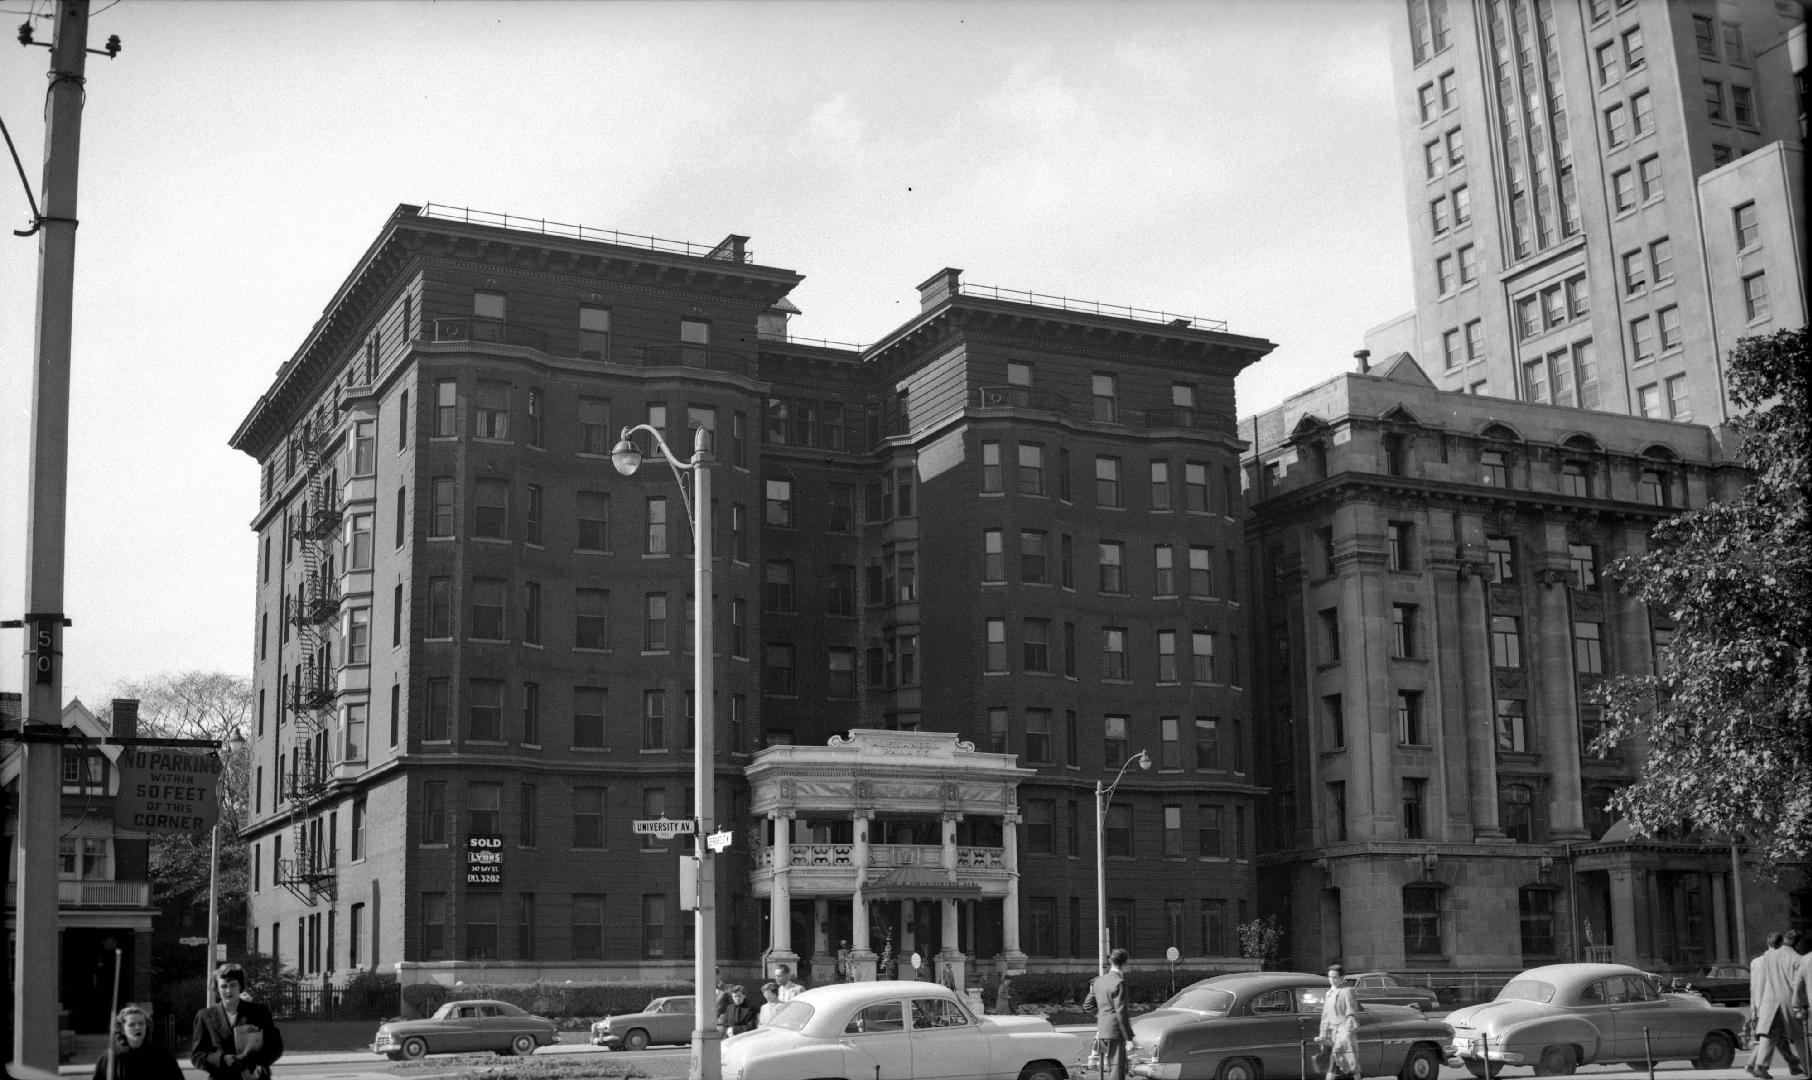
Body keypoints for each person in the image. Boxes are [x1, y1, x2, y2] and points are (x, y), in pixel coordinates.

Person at [191, 964, 283, 1080]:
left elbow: (275, 1046)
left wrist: (257, 1061)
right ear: (217, 989)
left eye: (232, 985)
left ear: (240, 986)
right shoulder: (204, 1016)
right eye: (223, 986)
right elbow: (197, 1056)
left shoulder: (260, 1012)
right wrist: (224, 1060)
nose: (228, 991)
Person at [1750, 932, 1800, 1079]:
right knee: (1788, 1036)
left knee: (1773, 1036)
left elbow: (1753, 987)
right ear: (1781, 944)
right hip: (1778, 1003)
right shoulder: (1782, 958)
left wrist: (1754, 1009)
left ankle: (1792, 1065)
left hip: (1763, 1005)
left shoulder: (1756, 961)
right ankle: (1799, 1064)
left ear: (1768, 943)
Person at [93, 1004, 183, 1080]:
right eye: (131, 1024)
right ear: (122, 1029)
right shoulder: (111, 1057)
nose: (137, 1027)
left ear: (146, 1026)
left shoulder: (162, 1054)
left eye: (141, 1023)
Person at [1085, 947, 1133, 1080]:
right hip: (1116, 1032)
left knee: (1106, 1070)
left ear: (1111, 961)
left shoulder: (1098, 981)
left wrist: (1102, 1016)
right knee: (1116, 1071)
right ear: (1124, 963)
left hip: (1102, 1030)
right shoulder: (1119, 983)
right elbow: (1121, 1012)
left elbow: (1087, 1005)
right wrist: (1129, 1038)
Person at [1319, 963, 1364, 1080]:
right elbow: (1325, 1017)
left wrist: (1346, 1032)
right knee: (1347, 1064)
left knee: (1343, 1062)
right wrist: (1323, 1035)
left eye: (1335, 977)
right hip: (1333, 1035)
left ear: (1342, 978)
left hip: (1344, 1035)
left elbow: (1351, 1013)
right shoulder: (1328, 993)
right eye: (1330, 977)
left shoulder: (1347, 991)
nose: (1332, 980)